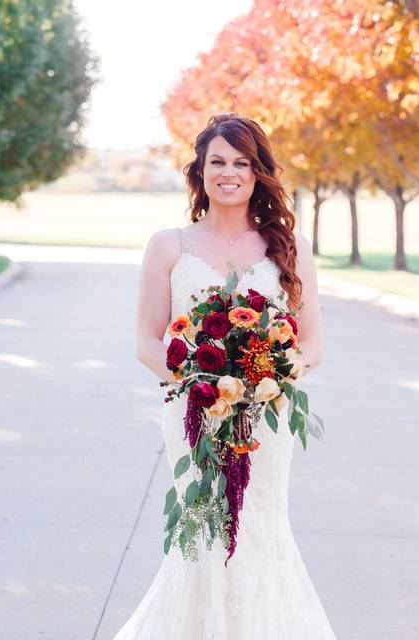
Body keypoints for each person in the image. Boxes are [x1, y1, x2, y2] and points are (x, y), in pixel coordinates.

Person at [119, 113, 336, 639]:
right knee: (203, 530)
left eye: (242, 162)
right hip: (193, 415)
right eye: (218, 161)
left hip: (265, 417)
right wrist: (196, 381)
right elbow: (147, 340)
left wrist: (276, 372)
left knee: (260, 528)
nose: (229, 172)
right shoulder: (169, 246)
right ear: (200, 170)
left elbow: (312, 344)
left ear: (259, 172)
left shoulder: (289, 248)